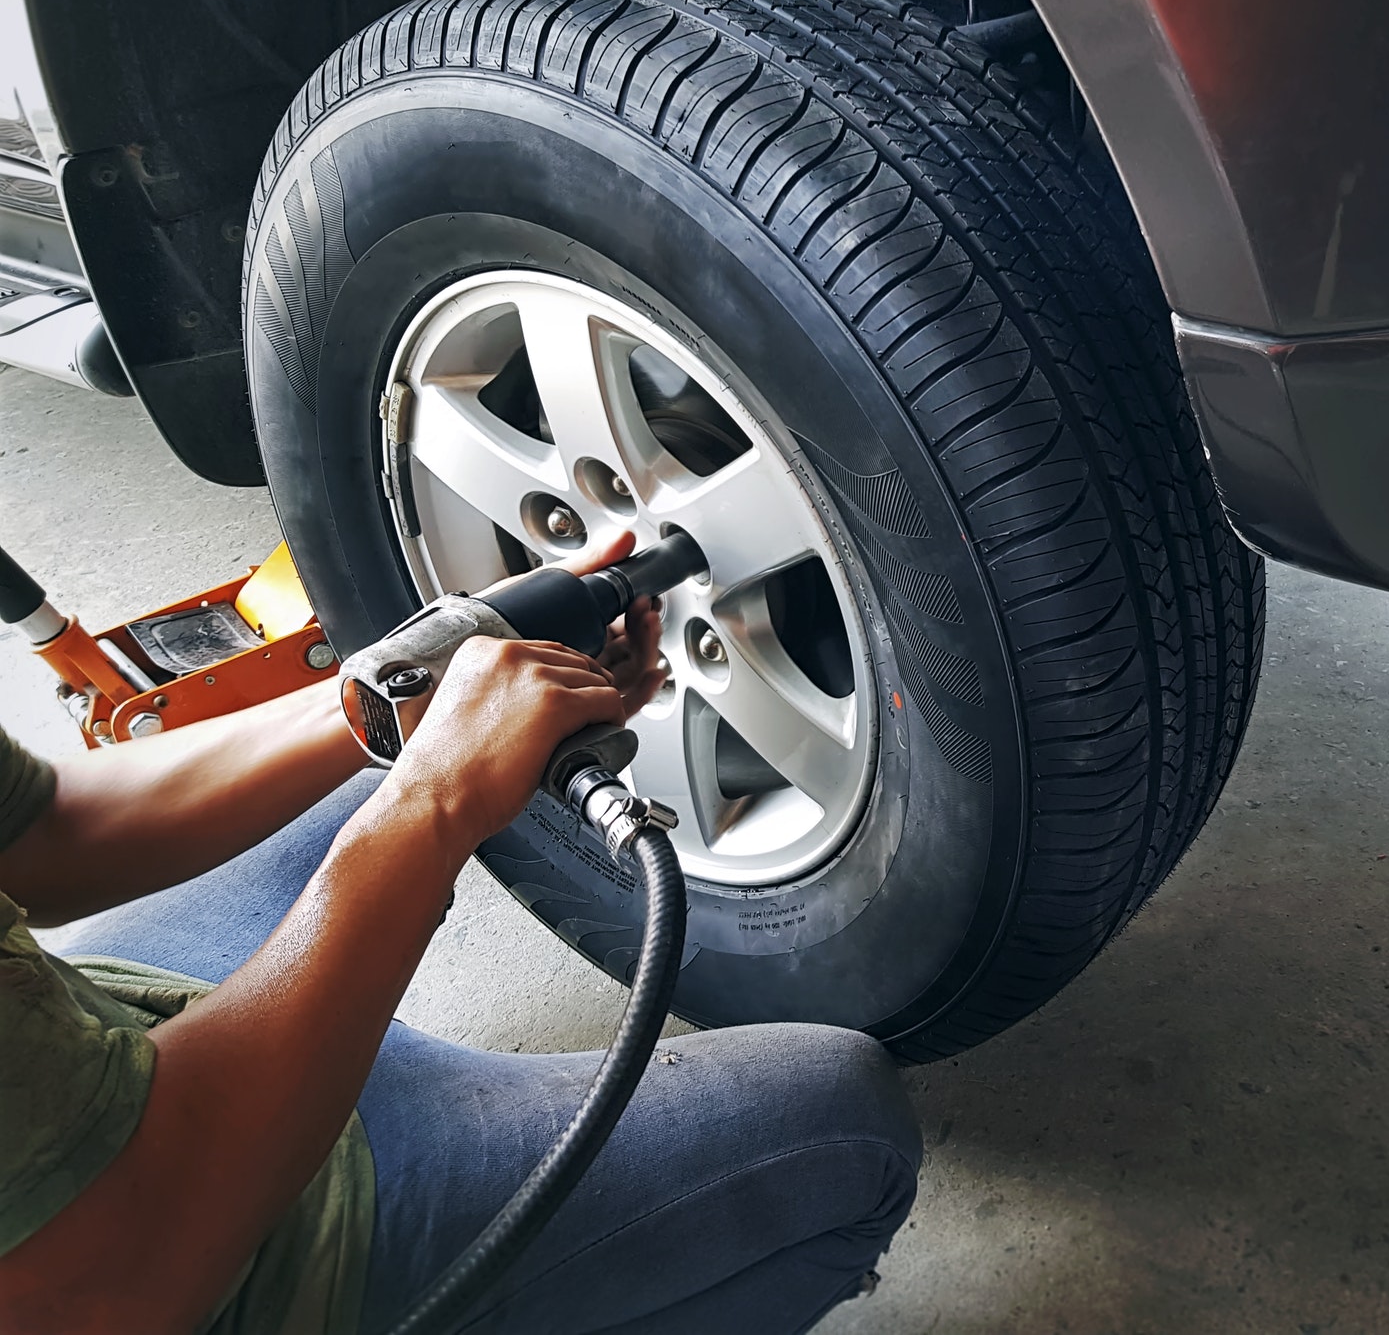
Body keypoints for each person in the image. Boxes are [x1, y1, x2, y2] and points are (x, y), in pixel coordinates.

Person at [0, 534, 921, 1334]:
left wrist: (389, 700)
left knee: (370, 783)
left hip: (92, 1045)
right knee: (849, 1129)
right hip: (193, 1260)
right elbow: (115, 1282)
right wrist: (437, 797)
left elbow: (44, 834)